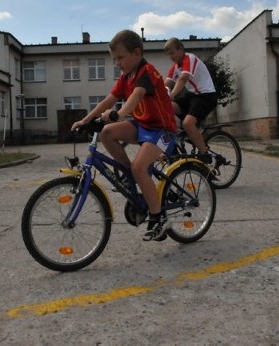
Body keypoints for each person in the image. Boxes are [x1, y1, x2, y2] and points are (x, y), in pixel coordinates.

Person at [71, 30, 177, 242]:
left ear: (136, 53)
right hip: (142, 125)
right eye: (114, 59)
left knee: (140, 167)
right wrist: (85, 120)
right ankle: (129, 175)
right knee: (107, 132)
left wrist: (119, 114)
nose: (117, 63)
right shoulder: (125, 77)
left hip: (162, 131)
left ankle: (158, 218)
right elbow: (108, 100)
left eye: (120, 58)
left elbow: (136, 96)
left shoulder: (147, 71)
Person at [164, 37, 217, 162]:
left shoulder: (190, 58)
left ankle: (205, 155)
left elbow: (183, 78)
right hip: (193, 96)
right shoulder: (176, 66)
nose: (171, 56)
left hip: (206, 96)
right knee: (167, 108)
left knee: (188, 123)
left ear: (181, 49)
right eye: (168, 54)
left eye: (172, 53)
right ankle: (178, 138)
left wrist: (171, 95)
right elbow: (166, 83)